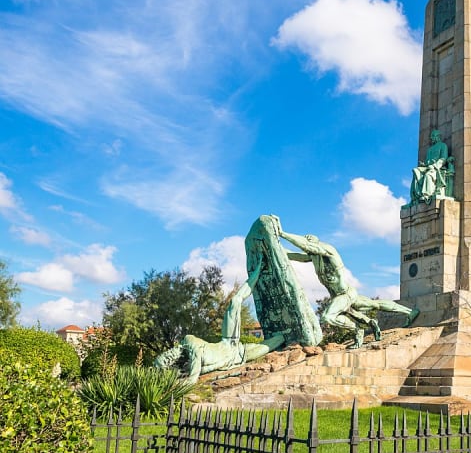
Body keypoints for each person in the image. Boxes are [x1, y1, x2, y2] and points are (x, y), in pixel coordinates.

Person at [275, 219, 419, 349]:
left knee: (327, 317)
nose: (305, 242)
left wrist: (282, 233)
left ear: (315, 242)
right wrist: (274, 244)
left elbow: (307, 245)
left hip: (345, 294)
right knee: (375, 304)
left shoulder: (328, 250)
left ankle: (357, 329)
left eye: (308, 240)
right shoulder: (314, 257)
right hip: (343, 295)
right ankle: (405, 313)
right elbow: (293, 255)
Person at [154, 256, 285, 383]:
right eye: (167, 361)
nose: (169, 355)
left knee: (235, 301)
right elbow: (201, 370)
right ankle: (289, 336)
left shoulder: (189, 342)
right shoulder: (187, 366)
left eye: (167, 355)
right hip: (234, 358)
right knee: (278, 341)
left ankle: (259, 268)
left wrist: (183, 378)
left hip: (228, 342)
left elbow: (193, 378)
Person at [410, 129, 451, 204]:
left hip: (437, 167)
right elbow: (427, 161)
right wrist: (424, 164)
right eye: (431, 136)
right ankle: (416, 196)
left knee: (428, 175)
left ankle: (426, 194)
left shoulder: (443, 146)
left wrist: (435, 166)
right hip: (428, 167)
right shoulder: (430, 149)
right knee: (416, 171)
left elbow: (443, 158)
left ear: (438, 137)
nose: (431, 138)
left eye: (433, 136)